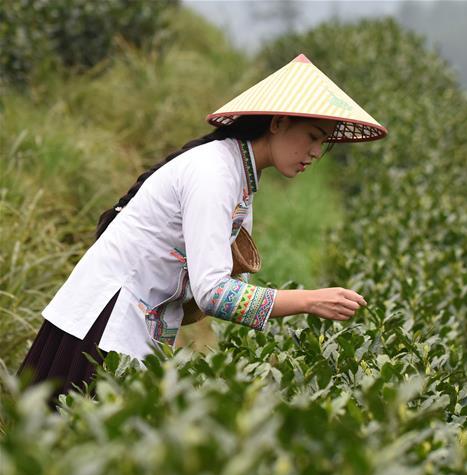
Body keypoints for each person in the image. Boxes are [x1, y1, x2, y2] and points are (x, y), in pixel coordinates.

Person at [18, 53, 387, 399]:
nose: (314, 154)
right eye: (311, 137)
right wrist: (308, 300)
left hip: (130, 322)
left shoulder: (240, 175)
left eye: (322, 145)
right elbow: (213, 293)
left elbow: (223, 285)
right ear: (278, 123)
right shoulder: (215, 173)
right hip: (103, 321)